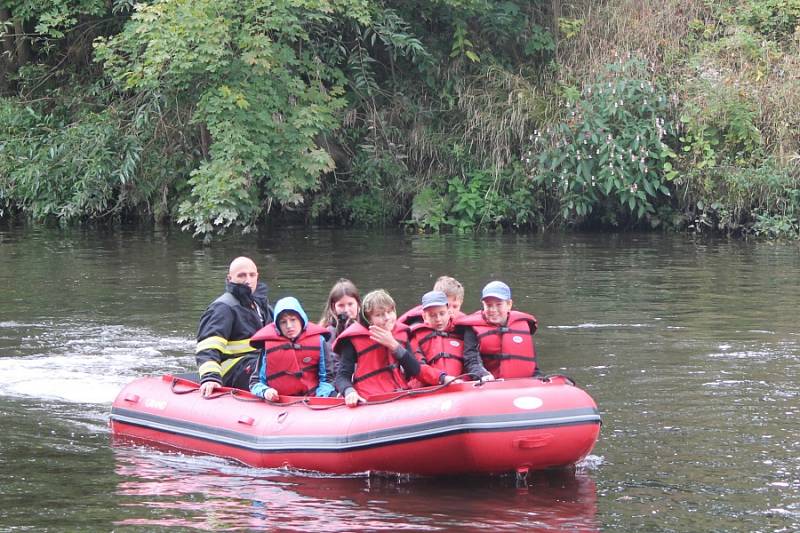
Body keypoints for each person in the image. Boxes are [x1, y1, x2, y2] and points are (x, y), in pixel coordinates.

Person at [195, 256, 273, 397]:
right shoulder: (223, 308)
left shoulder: (261, 305)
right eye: (241, 275)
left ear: (257, 276)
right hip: (233, 370)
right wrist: (210, 377)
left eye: (252, 275)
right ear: (230, 278)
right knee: (273, 372)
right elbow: (207, 347)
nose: (248, 280)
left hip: (257, 363)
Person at [333, 289, 422, 407]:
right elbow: (342, 376)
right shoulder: (351, 340)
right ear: (369, 319)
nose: (387, 318)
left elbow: (415, 371)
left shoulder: (401, 333)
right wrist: (349, 392)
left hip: (400, 394)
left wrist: (394, 345)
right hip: (369, 398)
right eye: (379, 315)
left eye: (390, 312)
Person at [248, 296, 335, 401]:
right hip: (279, 402)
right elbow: (255, 383)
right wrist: (265, 391)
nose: (289, 326)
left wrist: (320, 396)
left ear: (301, 320)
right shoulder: (268, 345)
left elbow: (328, 379)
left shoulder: (319, 341)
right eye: (283, 322)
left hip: (311, 401)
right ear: (278, 325)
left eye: (293, 320)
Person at [455, 280, 540, 381]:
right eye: (489, 305)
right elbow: (471, 360)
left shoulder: (523, 326)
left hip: (520, 384)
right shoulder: (472, 328)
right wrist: (482, 375)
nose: (493, 310)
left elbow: (533, 367)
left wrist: (540, 379)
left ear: (509, 304)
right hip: (489, 383)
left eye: (499, 304)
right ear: (483, 305)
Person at [408, 290, 463, 388]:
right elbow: (417, 367)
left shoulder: (462, 332)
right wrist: (442, 378)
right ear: (424, 317)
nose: (438, 319)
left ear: (449, 312)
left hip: (460, 387)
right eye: (432, 315)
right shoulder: (416, 337)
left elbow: (471, 361)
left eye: (442, 314)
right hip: (429, 391)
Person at [398, 276, 465, 326]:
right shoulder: (417, 322)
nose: (450, 311)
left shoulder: (465, 326)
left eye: (455, 306)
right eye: (447, 306)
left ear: (461, 304)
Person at [318, 278, 361, 342]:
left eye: (350, 304)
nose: (346, 310)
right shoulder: (326, 332)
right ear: (333, 307)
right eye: (341, 305)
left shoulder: (369, 326)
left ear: (358, 304)